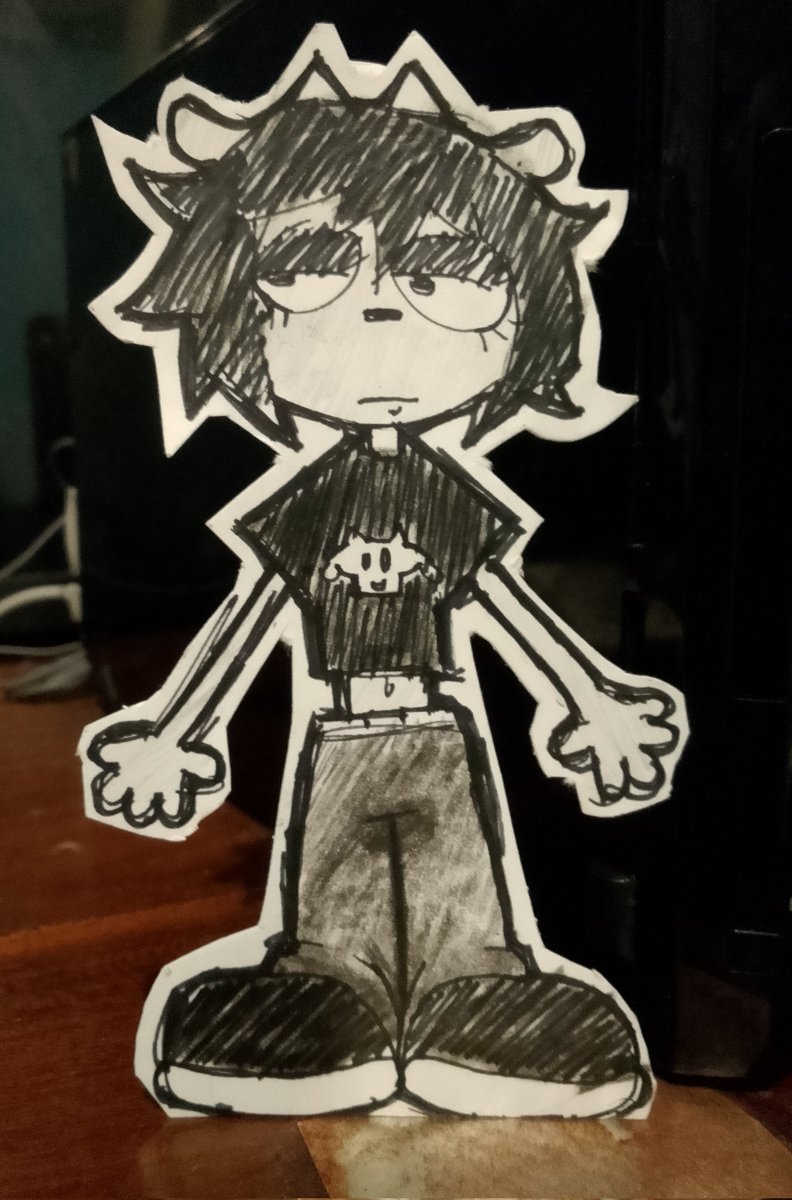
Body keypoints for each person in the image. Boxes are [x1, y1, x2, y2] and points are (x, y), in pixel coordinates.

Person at [79, 28, 688, 1118]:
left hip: (447, 732)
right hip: (335, 737)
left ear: (526, 311)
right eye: (311, 269)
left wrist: (593, 698)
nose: (379, 308)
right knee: (329, 906)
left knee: (469, 901)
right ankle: (323, 1000)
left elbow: (505, 602)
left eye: (447, 273)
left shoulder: (450, 494)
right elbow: (253, 613)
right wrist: (176, 728)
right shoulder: (305, 499)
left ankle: (482, 998)